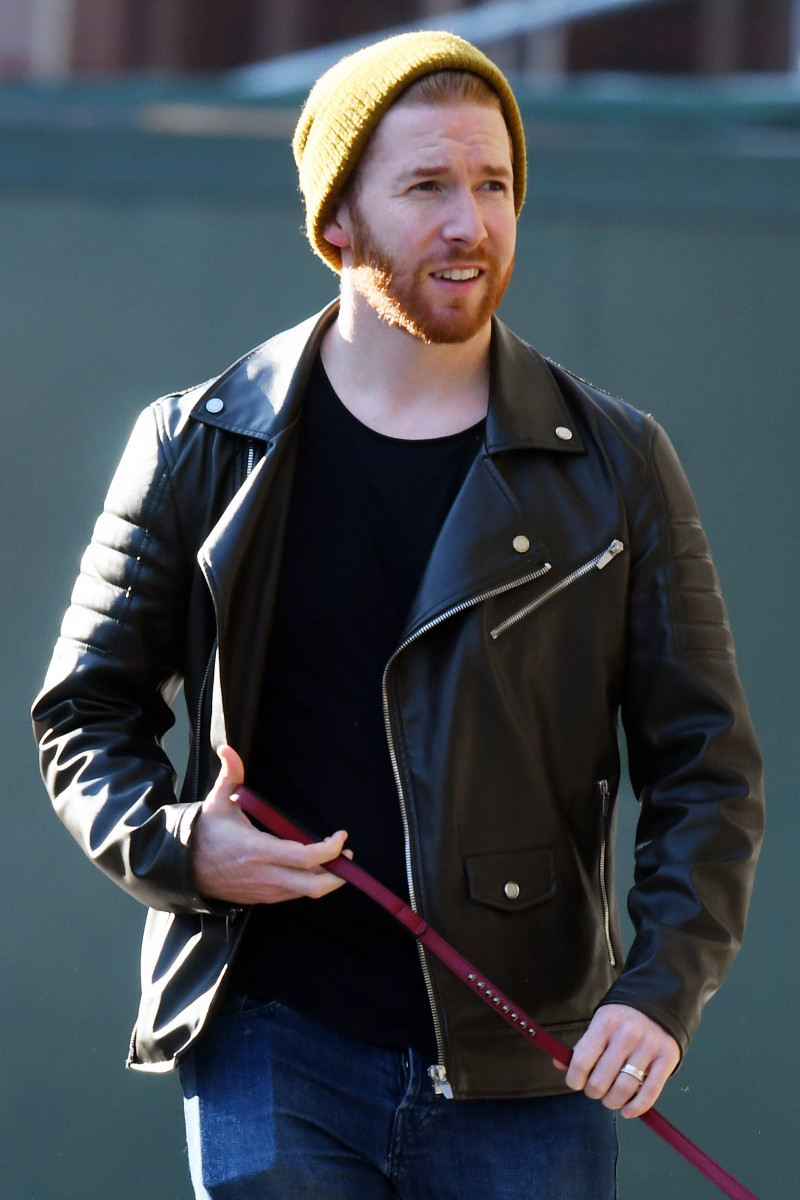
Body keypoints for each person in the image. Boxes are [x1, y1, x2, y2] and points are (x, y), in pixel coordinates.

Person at [33, 29, 764, 1200]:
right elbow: (83, 716)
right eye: (426, 186)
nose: (469, 223)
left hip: (528, 1064)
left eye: (493, 185)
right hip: (271, 1035)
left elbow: (704, 766)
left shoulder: (616, 461)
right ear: (335, 220)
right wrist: (180, 847)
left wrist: (658, 992)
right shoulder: (194, 444)